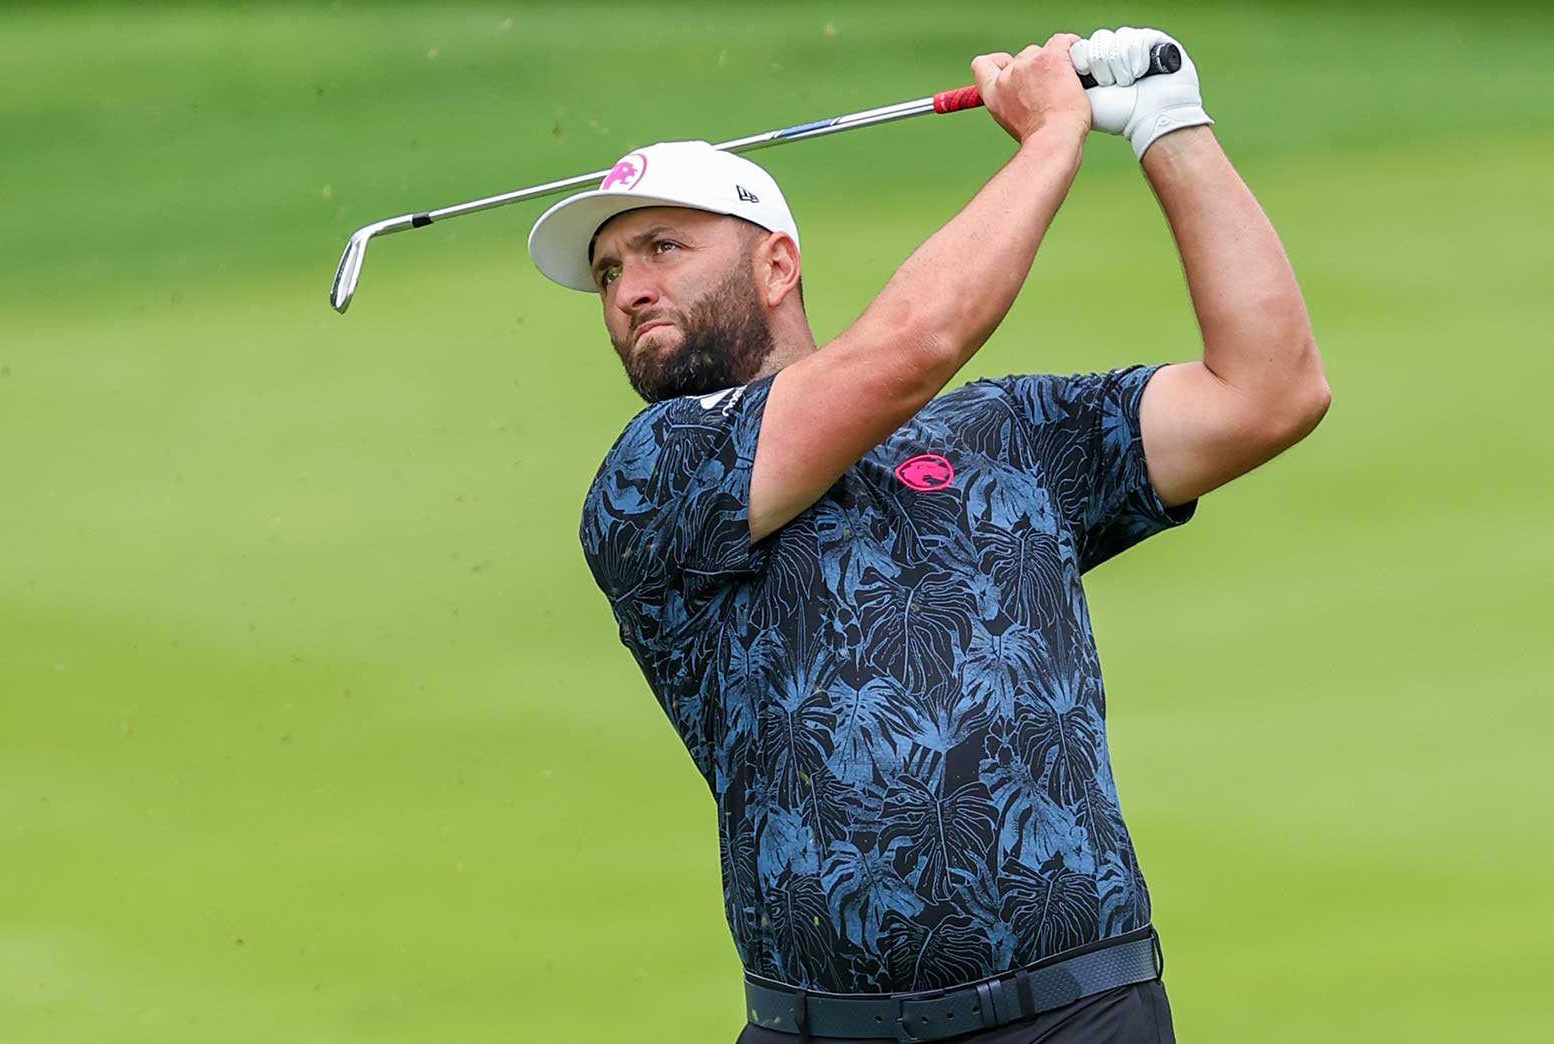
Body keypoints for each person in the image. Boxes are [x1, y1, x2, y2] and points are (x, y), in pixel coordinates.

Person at [527, 26, 1329, 1044]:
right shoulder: (653, 477)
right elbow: (915, 344)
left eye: (661, 248)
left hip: (1083, 1012)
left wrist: (1170, 125)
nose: (629, 288)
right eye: (605, 273)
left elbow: (1268, 392)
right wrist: (1048, 141)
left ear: (775, 264)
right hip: (830, 1029)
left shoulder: (1004, 433)